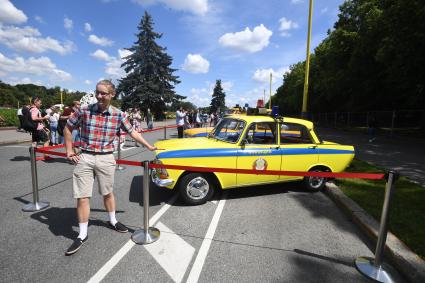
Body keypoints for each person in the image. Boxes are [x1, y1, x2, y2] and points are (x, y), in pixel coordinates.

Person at [64, 80, 157, 256]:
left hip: (106, 158)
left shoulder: (119, 115)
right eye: (97, 92)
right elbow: (68, 128)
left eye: (103, 93)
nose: (99, 96)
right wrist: (69, 151)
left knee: (107, 192)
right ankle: (82, 234)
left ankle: (113, 221)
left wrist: (148, 146)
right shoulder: (84, 110)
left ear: (112, 94)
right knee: (82, 196)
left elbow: (133, 132)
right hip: (85, 156)